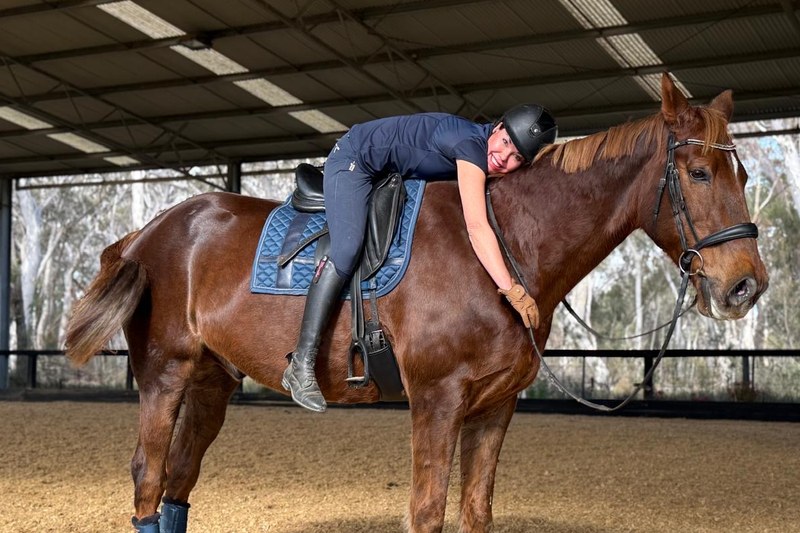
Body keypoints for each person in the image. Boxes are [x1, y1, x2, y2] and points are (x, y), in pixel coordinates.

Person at [282, 104, 558, 412]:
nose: (504, 158)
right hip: (355, 158)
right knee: (347, 247)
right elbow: (478, 229)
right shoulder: (468, 146)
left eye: (517, 158)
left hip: (390, 171)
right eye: (505, 143)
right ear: (497, 128)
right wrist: (511, 289)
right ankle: (301, 364)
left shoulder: (481, 150)